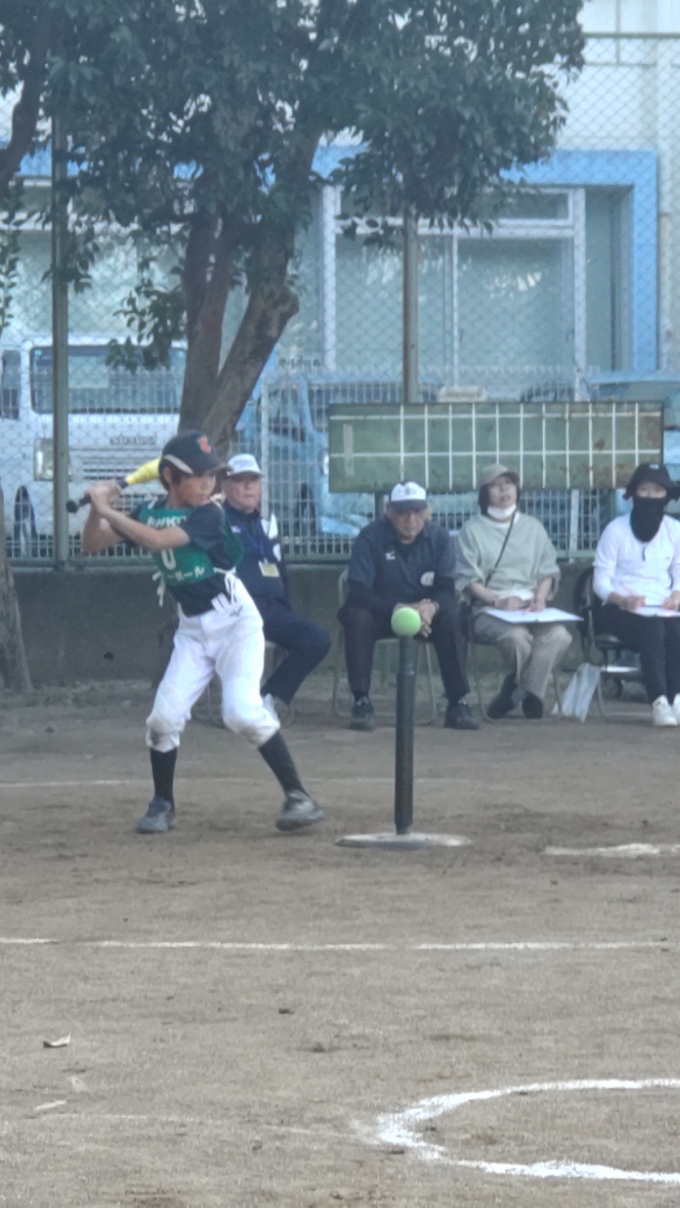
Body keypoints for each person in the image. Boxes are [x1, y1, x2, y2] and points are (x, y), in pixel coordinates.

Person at [80, 430, 324, 833]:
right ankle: (163, 804)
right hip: (192, 629)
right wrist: (96, 508)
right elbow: (91, 544)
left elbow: (157, 541)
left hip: (235, 623)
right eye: (198, 475)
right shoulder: (149, 511)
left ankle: (299, 796)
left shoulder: (210, 514)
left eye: (212, 475)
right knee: (162, 719)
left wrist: (109, 507)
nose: (208, 483)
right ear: (169, 477)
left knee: (241, 713)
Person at [339, 480, 477, 731]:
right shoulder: (370, 537)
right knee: (357, 617)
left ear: (426, 511)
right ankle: (361, 701)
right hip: (382, 612)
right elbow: (359, 590)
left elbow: (447, 587)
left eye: (417, 511)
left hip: (425, 616)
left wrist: (431, 608)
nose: (410, 519)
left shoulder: (440, 538)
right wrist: (400, 608)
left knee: (454, 616)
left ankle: (458, 702)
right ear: (389, 511)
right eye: (403, 512)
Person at [455, 463, 571, 720]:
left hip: (531, 607)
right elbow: (467, 579)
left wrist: (541, 597)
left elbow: (547, 570)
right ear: (484, 494)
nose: (504, 490)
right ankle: (530, 693)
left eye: (508, 484)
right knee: (517, 638)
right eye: (496, 486)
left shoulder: (533, 527)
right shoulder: (471, 530)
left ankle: (518, 691)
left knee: (560, 636)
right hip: (489, 607)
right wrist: (497, 601)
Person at [221, 453, 331, 714]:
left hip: (273, 611)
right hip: (235, 610)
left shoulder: (266, 524)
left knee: (316, 640)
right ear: (224, 485)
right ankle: (240, 705)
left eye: (253, 480)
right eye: (240, 480)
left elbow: (282, 573)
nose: (248, 486)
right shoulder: (216, 522)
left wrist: (286, 608)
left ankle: (268, 696)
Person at [593, 461, 680, 727]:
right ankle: (658, 701)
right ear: (633, 493)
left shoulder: (674, 530)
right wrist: (623, 600)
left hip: (661, 607)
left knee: (673, 629)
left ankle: (676, 699)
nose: (651, 497)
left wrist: (676, 595)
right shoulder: (615, 531)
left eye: (657, 491)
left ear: (667, 496)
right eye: (645, 490)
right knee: (653, 628)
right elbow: (600, 582)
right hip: (619, 610)